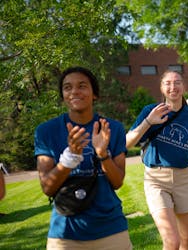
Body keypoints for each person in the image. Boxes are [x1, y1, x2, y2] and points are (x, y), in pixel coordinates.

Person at [34, 66, 132, 249]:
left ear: (94, 94)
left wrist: (103, 154)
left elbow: (117, 182)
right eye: (67, 87)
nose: (74, 92)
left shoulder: (112, 128)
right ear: (63, 95)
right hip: (65, 233)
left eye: (82, 86)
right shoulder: (46, 131)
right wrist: (70, 157)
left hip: (111, 229)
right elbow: (47, 187)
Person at [126, 70, 188, 250]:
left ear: (184, 86)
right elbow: (127, 142)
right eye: (168, 83)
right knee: (172, 241)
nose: (173, 87)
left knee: (187, 242)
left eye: (177, 82)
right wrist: (149, 121)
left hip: (184, 179)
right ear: (162, 88)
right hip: (156, 180)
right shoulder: (150, 111)